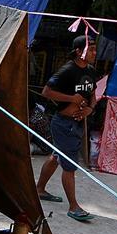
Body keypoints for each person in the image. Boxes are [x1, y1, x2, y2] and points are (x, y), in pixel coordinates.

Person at [36, 35, 99, 222]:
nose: (95, 53)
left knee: (56, 156)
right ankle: (73, 207)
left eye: (95, 49)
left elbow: (93, 93)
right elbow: (46, 92)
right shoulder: (67, 71)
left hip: (77, 124)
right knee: (69, 166)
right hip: (63, 124)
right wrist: (72, 99)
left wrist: (89, 109)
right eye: (91, 49)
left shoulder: (90, 71)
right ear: (79, 51)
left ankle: (39, 189)